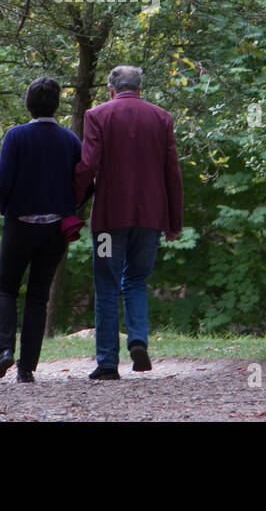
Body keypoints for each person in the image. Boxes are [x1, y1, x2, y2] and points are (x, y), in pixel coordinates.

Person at [75, 65, 183, 379]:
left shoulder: (97, 116)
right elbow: (172, 174)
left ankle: (108, 363)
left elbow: (87, 164)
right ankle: (138, 341)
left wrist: (72, 202)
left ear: (111, 89)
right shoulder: (162, 118)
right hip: (150, 218)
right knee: (136, 280)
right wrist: (173, 222)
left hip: (110, 219)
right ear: (139, 88)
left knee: (107, 284)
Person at [0, 77, 82, 383]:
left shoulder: (15, 136)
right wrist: (69, 207)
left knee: (6, 289)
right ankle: (27, 368)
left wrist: (8, 212)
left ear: (28, 104)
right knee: (38, 297)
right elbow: (85, 183)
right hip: (55, 229)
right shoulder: (70, 141)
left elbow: (2, 183)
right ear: (56, 105)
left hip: (19, 225)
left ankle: (4, 349)